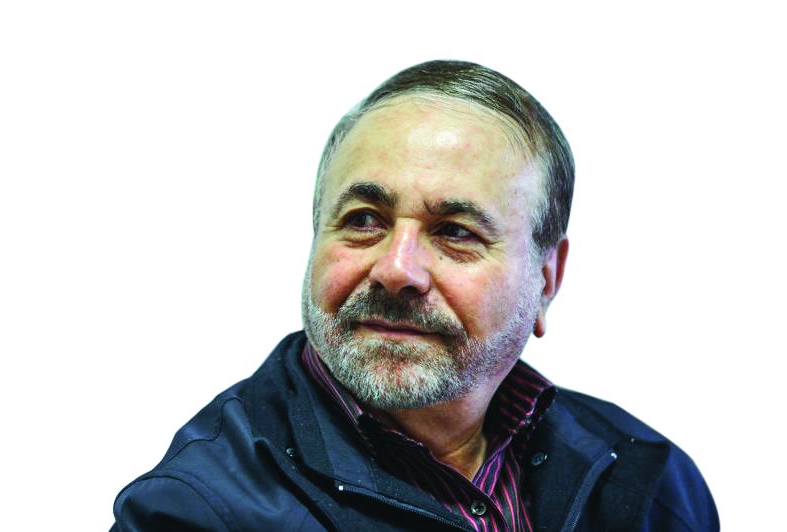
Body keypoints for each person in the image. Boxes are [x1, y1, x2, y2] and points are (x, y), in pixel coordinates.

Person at [111, 60, 719, 531]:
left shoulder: (649, 481)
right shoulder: (195, 512)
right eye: (363, 220)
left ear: (546, 280)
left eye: (455, 232)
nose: (397, 270)